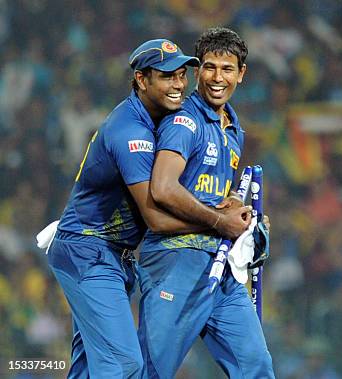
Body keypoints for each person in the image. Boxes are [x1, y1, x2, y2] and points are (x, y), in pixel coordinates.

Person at [46, 39, 251, 378]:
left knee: (88, 368)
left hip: (109, 254)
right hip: (89, 252)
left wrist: (223, 206)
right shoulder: (131, 133)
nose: (179, 85)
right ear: (142, 80)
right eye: (166, 76)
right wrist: (219, 222)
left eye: (182, 75)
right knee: (125, 364)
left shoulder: (160, 120)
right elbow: (155, 217)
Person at [137, 27, 275, 378]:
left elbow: (214, 195)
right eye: (209, 67)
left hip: (221, 266)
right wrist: (218, 221)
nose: (217, 78)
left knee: (256, 365)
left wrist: (242, 217)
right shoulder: (186, 120)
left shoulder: (233, 128)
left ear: (241, 74)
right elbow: (164, 189)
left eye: (227, 69)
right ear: (197, 70)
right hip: (176, 259)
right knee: (152, 370)